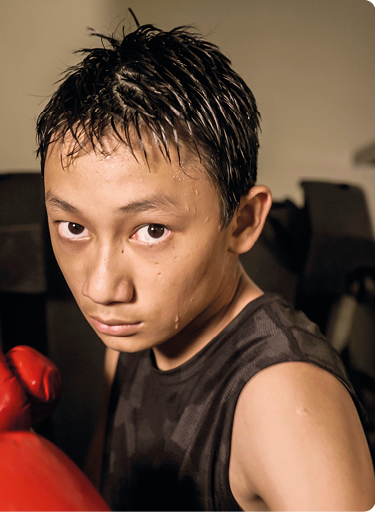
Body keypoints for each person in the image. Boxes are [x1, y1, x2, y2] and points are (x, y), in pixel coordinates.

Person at [36, 16, 375, 512]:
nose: (102, 287)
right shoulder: (130, 335)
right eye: (73, 228)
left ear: (241, 221)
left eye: (151, 231)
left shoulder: (284, 403)